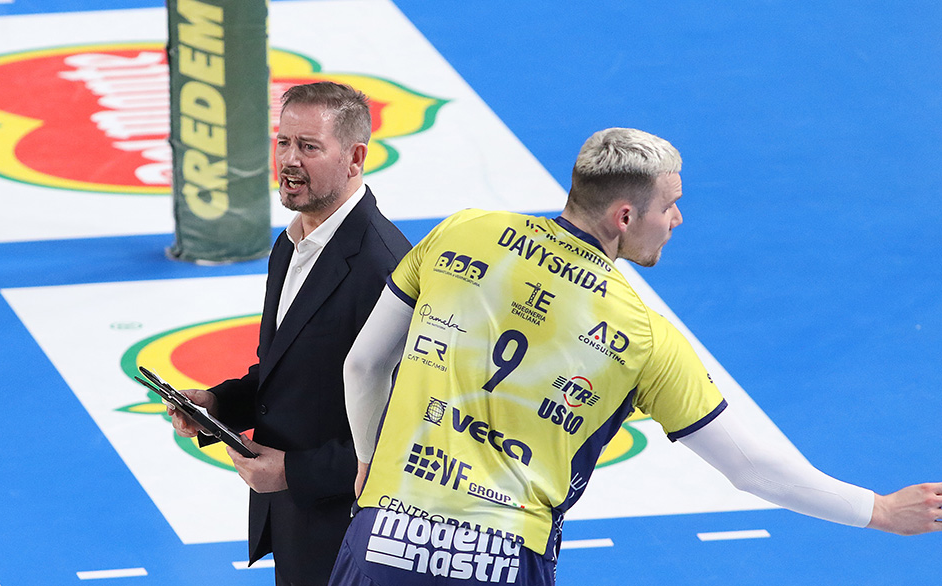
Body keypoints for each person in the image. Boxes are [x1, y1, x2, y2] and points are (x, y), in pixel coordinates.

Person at [331, 127, 942, 585]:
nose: (677, 219)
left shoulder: (460, 231)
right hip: (501, 556)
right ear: (624, 216)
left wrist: (368, 464)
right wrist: (881, 510)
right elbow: (750, 468)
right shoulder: (643, 335)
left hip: (382, 534)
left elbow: (362, 366)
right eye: (669, 205)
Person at [167, 81, 412, 586]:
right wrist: (218, 405)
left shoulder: (383, 269)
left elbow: (410, 426)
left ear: (355, 158)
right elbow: (287, 371)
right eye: (283, 142)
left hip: (353, 534)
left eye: (309, 147)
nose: (289, 160)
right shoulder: (291, 244)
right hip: (297, 525)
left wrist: (293, 472)